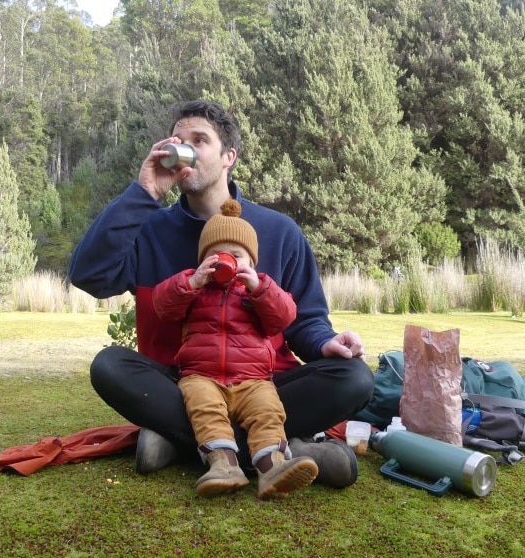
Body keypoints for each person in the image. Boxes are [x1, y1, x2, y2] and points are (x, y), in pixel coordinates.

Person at [68, 99, 374, 489]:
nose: (187, 149)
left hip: (261, 382)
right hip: (186, 382)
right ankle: (277, 453)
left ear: (229, 156)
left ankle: (185, 444)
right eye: (179, 140)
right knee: (109, 365)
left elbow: (305, 321)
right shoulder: (149, 229)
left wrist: (327, 343)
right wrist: (145, 191)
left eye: (200, 140)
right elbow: (88, 275)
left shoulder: (279, 232)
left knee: (355, 378)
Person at [154, 199, 318, 499]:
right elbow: (162, 306)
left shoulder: (259, 289)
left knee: (268, 412)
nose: (226, 261)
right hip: (202, 376)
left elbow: (284, 316)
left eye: (237, 256)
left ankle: (272, 468)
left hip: (253, 380)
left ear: (252, 262)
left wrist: (260, 288)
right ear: (204, 260)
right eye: (216, 256)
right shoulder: (195, 288)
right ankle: (223, 464)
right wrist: (192, 281)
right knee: (205, 410)